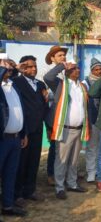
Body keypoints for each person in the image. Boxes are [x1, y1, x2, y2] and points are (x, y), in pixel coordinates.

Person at [44, 61, 89, 200]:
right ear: (67, 71)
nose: (77, 70)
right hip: (65, 129)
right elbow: (48, 77)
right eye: (74, 68)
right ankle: (59, 187)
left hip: (79, 128)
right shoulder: (61, 85)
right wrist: (62, 65)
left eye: (78, 68)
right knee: (61, 159)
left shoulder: (81, 86)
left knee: (74, 159)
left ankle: (72, 183)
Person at [13, 56, 48, 205]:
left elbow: (43, 105)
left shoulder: (40, 84)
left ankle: (30, 190)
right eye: (29, 67)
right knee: (21, 162)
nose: (33, 69)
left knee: (34, 161)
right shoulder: (16, 82)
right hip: (24, 130)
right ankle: (17, 193)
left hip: (38, 128)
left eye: (35, 66)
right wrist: (16, 70)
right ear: (22, 68)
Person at [0, 58, 28, 217]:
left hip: (16, 138)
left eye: (10, 70)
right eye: (5, 69)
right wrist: (6, 67)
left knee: (11, 174)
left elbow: (20, 111)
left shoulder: (13, 85)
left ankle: (8, 206)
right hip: (2, 139)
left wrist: (23, 133)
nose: (8, 71)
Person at [37, 45, 68, 186]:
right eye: (59, 55)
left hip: (65, 115)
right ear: (52, 58)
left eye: (63, 55)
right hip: (52, 115)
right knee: (54, 147)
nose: (63, 58)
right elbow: (42, 93)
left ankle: (62, 172)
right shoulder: (46, 72)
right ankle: (51, 174)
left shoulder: (66, 71)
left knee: (65, 146)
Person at [82, 58, 101, 183]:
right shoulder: (85, 83)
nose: (99, 71)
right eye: (96, 69)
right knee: (92, 147)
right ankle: (91, 171)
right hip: (92, 119)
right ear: (92, 70)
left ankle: (99, 170)